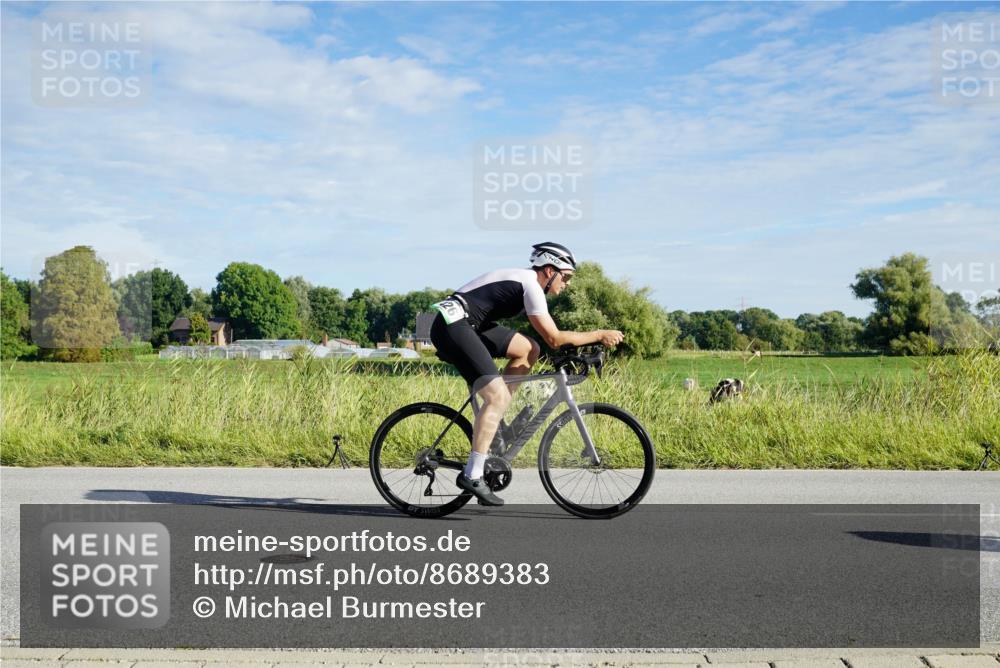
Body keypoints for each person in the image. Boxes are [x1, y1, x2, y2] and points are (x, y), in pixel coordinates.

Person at [429, 242, 624, 506]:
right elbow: (555, 338)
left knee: (529, 349)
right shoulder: (531, 284)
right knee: (496, 397)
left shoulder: (527, 282)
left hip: (470, 325)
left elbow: (546, 343)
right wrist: (599, 335)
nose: (567, 284)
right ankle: (473, 475)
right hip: (452, 327)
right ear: (548, 270)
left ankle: (496, 426)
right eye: (565, 277)